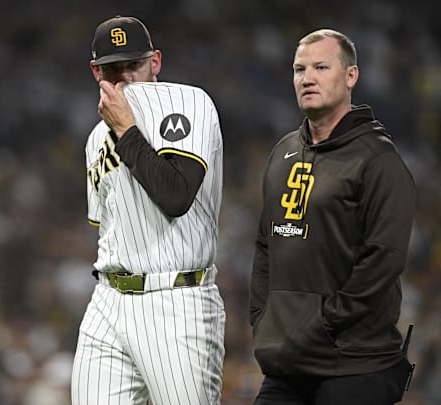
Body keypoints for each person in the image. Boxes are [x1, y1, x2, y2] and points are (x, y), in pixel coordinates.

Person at [249, 28, 417, 405]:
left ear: (350, 75)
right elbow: (265, 244)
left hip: (355, 365)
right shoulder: (282, 153)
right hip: (288, 364)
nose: (307, 78)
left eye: (321, 67)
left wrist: (324, 322)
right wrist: (263, 316)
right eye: (299, 69)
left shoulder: (377, 160)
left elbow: (384, 258)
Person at [71, 15, 226, 405]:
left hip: (176, 300)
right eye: (112, 70)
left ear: (154, 62)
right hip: (108, 299)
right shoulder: (95, 139)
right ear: (96, 73)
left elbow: (176, 197)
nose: (124, 80)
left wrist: (126, 130)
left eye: (133, 66)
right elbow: (107, 230)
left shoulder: (189, 103)